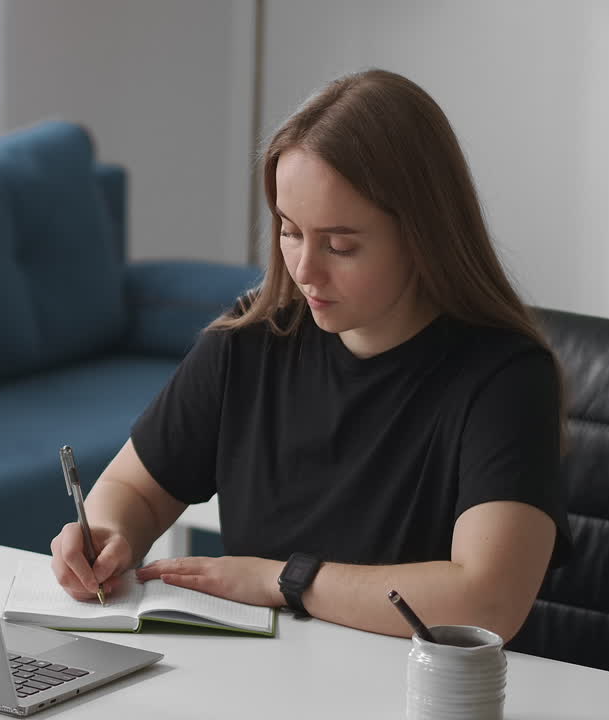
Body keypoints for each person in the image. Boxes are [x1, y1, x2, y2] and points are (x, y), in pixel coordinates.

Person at [50, 68, 572, 643]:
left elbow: (486, 600)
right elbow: (135, 490)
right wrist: (104, 532)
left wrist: (282, 581)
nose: (304, 271)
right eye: (290, 231)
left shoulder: (506, 379)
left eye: (340, 245)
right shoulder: (251, 339)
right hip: (260, 683)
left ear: (423, 235)